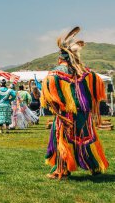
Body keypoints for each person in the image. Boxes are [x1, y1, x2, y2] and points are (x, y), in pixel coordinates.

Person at [41, 27, 109, 179]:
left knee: (63, 139)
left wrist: (58, 112)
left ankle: (63, 170)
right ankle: (95, 166)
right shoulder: (85, 72)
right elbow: (96, 87)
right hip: (84, 113)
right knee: (87, 139)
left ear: (61, 58)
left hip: (66, 114)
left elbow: (49, 94)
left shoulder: (56, 72)